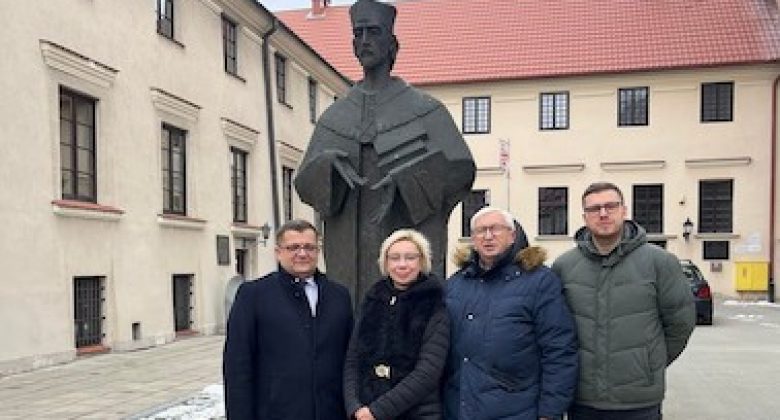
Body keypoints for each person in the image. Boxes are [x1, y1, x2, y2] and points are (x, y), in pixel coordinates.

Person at [294, 0, 475, 305]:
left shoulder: (425, 108)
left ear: (392, 44)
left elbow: (461, 169)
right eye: (358, 33)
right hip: (348, 259)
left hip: (404, 249)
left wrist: (408, 178)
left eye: (373, 32)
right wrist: (327, 166)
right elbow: (304, 184)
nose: (365, 40)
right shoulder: (336, 115)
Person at [552, 182, 696, 420]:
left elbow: (680, 324)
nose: (603, 214)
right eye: (594, 209)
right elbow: (555, 330)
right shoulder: (564, 266)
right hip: (582, 399)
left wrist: (648, 364)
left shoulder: (660, 263)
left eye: (610, 206)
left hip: (639, 401)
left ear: (624, 210)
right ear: (584, 217)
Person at [443, 207, 578, 420]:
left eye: (496, 229)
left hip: (518, 408)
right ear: (473, 239)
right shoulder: (456, 284)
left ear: (512, 236)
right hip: (460, 407)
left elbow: (558, 349)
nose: (488, 236)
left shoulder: (540, 282)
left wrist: (550, 411)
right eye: (481, 230)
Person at [223, 219, 353, 420]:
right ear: (278, 252)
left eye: (309, 247)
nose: (302, 253)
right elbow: (238, 366)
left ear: (318, 251)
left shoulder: (339, 295)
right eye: (293, 247)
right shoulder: (254, 295)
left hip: (331, 412)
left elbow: (350, 358)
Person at [343, 229, 449, 420]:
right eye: (394, 258)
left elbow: (427, 372)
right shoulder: (373, 300)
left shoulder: (435, 304)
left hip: (416, 414)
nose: (402, 264)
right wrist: (354, 406)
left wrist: (377, 411)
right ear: (385, 263)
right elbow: (353, 360)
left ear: (422, 261)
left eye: (410, 257)